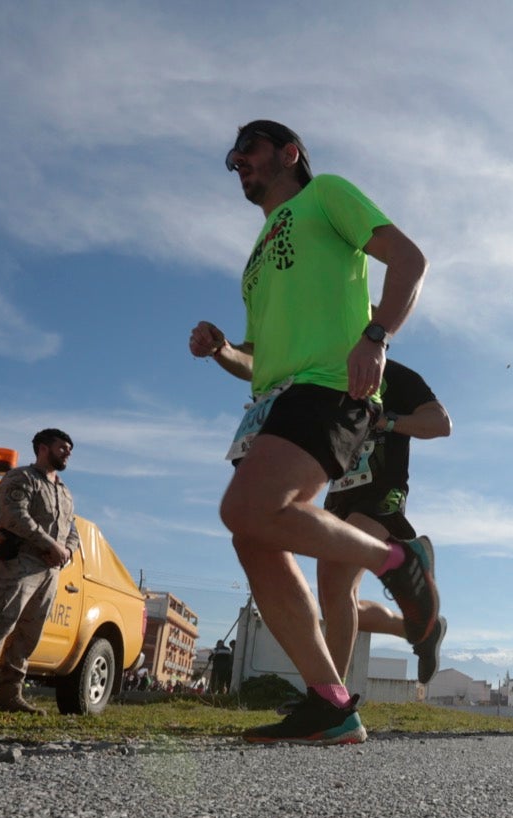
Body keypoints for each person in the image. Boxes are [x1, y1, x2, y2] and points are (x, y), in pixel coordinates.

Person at [189, 119, 436, 746]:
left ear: (289, 152)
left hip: (330, 383)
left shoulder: (324, 193)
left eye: (249, 149)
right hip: (271, 401)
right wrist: (222, 351)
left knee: (248, 508)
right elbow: (257, 355)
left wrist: (376, 337)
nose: (236, 160)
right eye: (232, 156)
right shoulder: (255, 256)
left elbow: (409, 260)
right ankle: (330, 703)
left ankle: (397, 561)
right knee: (252, 534)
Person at [317, 358, 451, 686]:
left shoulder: (391, 374)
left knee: (338, 586)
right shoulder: (324, 374)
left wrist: (386, 421)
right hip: (338, 495)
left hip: (381, 490)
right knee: (335, 602)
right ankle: (422, 628)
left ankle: (329, 698)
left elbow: (440, 423)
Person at [0, 429, 78, 713]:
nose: (68, 452)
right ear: (43, 448)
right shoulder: (21, 478)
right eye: (62, 447)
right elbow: (14, 516)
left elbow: (73, 530)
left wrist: (66, 551)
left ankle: (10, 695)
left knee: (28, 634)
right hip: (19, 563)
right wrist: (49, 544)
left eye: (69, 448)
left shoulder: (64, 491)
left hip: (50, 571)